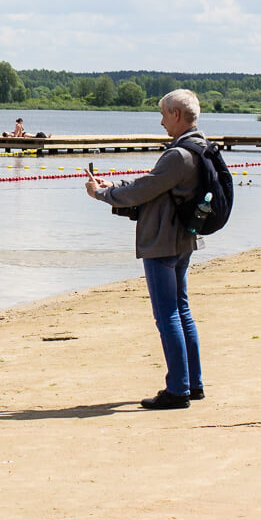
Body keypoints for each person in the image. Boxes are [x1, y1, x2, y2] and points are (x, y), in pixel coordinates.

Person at [84, 88, 206, 410]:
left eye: (164, 114)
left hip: (162, 242)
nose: (161, 121)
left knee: (167, 315)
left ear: (177, 115)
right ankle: (192, 383)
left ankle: (178, 389)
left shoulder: (178, 155)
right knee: (181, 311)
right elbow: (155, 185)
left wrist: (101, 194)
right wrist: (118, 188)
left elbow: (146, 189)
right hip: (182, 238)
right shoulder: (198, 147)